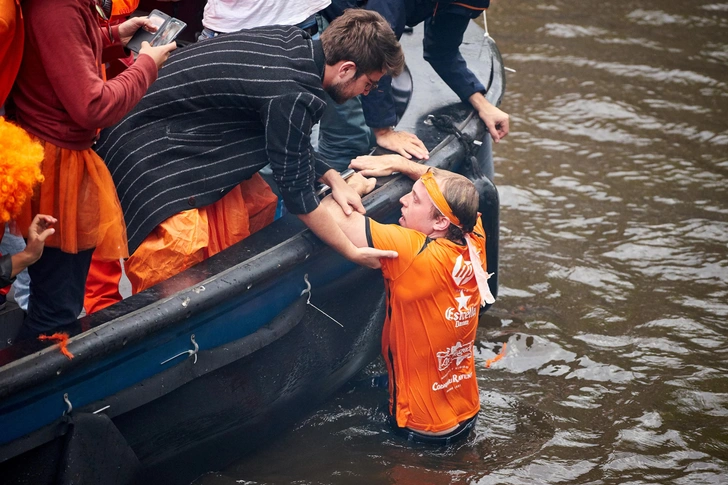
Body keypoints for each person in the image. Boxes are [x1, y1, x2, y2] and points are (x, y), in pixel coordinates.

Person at [94, 9, 403, 294]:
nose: (367, 93)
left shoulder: (291, 40)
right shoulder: (293, 94)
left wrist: (333, 178)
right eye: (370, 84)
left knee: (257, 203)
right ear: (347, 69)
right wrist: (351, 251)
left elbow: (287, 140)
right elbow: (298, 196)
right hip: (148, 155)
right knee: (180, 268)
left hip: (162, 123)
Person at [7, 0, 176, 337]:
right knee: (56, 307)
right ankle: (42, 384)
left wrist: (114, 34)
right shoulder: (57, 6)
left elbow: (63, 49)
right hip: (55, 167)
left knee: (53, 296)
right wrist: (145, 66)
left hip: (47, 156)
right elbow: (93, 106)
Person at [321, 154, 496, 443]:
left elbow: (328, 214)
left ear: (440, 222)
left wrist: (348, 187)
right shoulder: (474, 234)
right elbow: (453, 185)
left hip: (421, 428)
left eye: (414, 200)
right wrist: (400, 164)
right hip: (465, 409)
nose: (402, 200)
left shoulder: (411, 251)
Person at [318, 0, 510, 168]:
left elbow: (442, 51)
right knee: (348, 136)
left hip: (368, 27)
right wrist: (383, 130)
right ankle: (322, 200)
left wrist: (482, 103)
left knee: (367, 135)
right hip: (328, 14)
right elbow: (375, 47)